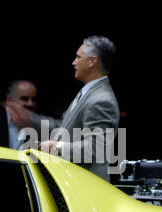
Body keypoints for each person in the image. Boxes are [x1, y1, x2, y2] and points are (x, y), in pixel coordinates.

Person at [9, 36, 120, 179]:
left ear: (92, 61)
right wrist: (30, 119)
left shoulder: (101, 100)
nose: (74, 62)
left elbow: (95, 149)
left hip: (87, 186)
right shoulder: (88, 93)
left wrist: (57, 147)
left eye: (78, 57)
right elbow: (61, 126)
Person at [0, 79, 38, 149]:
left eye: (33, 99)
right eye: (25, 99)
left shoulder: (36, 124)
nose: (30, 104)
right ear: (9, 99)